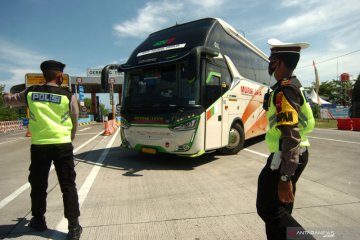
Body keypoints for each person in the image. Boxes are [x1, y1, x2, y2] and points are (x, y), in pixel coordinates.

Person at [2, 60, 82, 240]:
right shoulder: (68, 95)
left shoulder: (30, 92)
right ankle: (74, 227)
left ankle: (38, 220)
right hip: (62, 145)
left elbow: (11, 100)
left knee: (38, 184)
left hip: (39, 146)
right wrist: (70, 138)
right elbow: (75, 118)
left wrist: (5, 94)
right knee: (68, 184)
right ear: (60, 75)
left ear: (44, 75)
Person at [256, 39, 315, 240]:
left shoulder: (284, 91)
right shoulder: (293, 85)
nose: (270, 63)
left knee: (268, 208)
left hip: (286, 157)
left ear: (279, 62)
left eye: (272, 58)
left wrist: (284, 177)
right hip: (294, 155)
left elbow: (290, 136)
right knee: (282, 209)